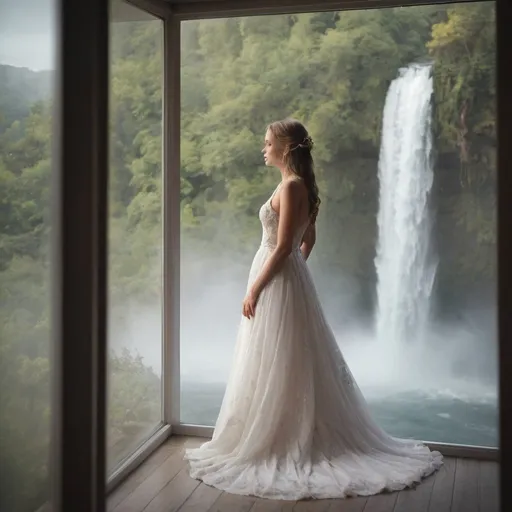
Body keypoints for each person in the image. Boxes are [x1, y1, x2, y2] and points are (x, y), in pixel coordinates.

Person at [184, 118, 443, 500]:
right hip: (289, 280)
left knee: (278, 357)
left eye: (268, 142)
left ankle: (279, 436)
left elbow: (285, 245)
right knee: (285, 358)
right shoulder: (300, 187)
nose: (263, 148)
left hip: (277, 279)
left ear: (286, 149)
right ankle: (283, 427)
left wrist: (257, 286)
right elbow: (307, 241)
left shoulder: (290, 187)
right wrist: (296, 273)